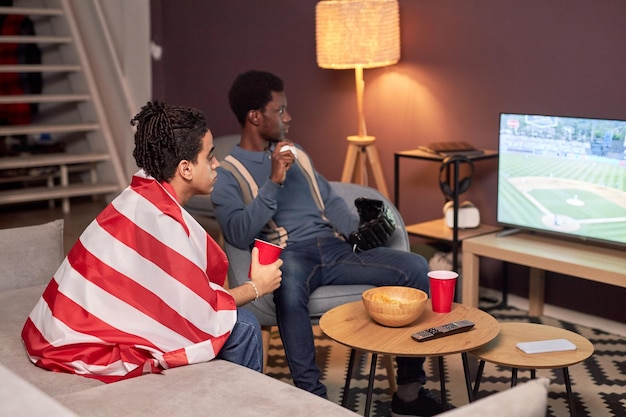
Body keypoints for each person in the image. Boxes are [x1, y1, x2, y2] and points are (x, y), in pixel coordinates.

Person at [211, 71, 442, 416]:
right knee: (287, 283)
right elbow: (239, 233)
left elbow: (330, 200)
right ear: (255, 117)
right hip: (290, 256)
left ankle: (408, 393)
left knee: (416, 268)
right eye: (281, 110)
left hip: (334, 249)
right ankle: (313, 400)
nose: (288, 117)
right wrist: (274, 181)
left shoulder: (297, 152)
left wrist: (359, 232)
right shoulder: (227, 174)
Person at [21, 101, 282, 383]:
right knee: (244, 326)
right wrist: (258, 286)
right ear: (186, 169)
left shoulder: (144, 190)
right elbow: (201, 311)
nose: (216, 164)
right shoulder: (160, 220)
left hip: (61, 325)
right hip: (78, 343)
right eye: (209, 157)